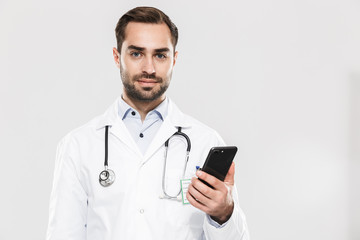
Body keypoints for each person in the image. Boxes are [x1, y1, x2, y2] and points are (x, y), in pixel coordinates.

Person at [47, 6, 249, 240]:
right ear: (116, 57)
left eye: (160, 55)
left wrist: (224, 214)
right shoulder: (78, 145)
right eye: (136, 53)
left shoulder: (205, 141)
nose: (149, 68)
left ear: (174, 59)